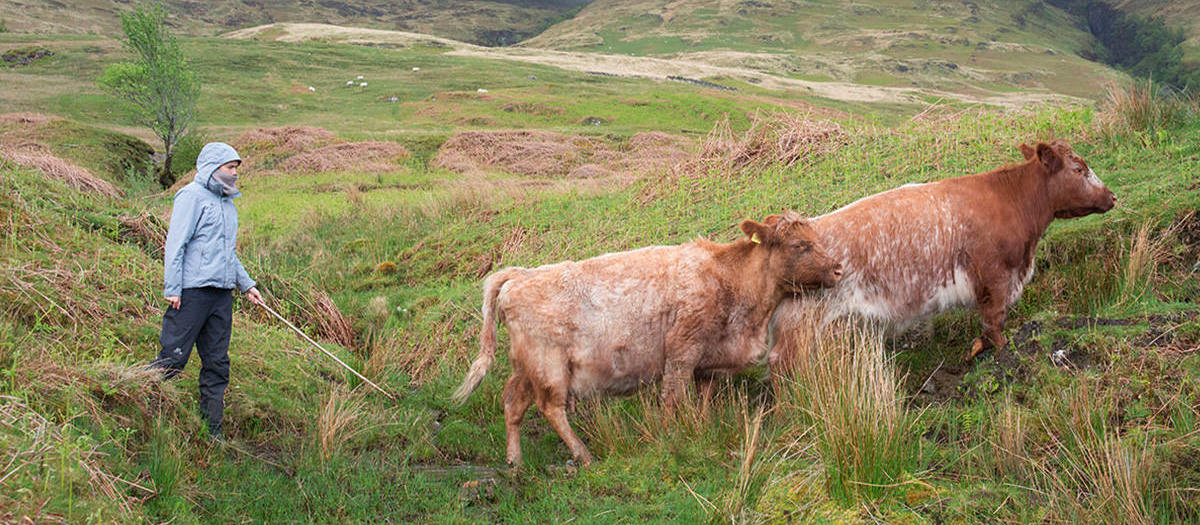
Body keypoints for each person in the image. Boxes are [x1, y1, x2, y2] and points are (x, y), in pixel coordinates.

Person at [151, 142, 264, 440]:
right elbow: (176, 245)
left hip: (221, 296)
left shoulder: (228, 205)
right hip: (191, 293)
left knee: (217, 363)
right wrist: (173, 288)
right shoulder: (191, 196)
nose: (235, 174)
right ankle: (135, 400)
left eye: (236, 168)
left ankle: (212, 431)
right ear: (214, 168)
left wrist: (247, 285)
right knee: (173, 359)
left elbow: (227, 253)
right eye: (230, 168)